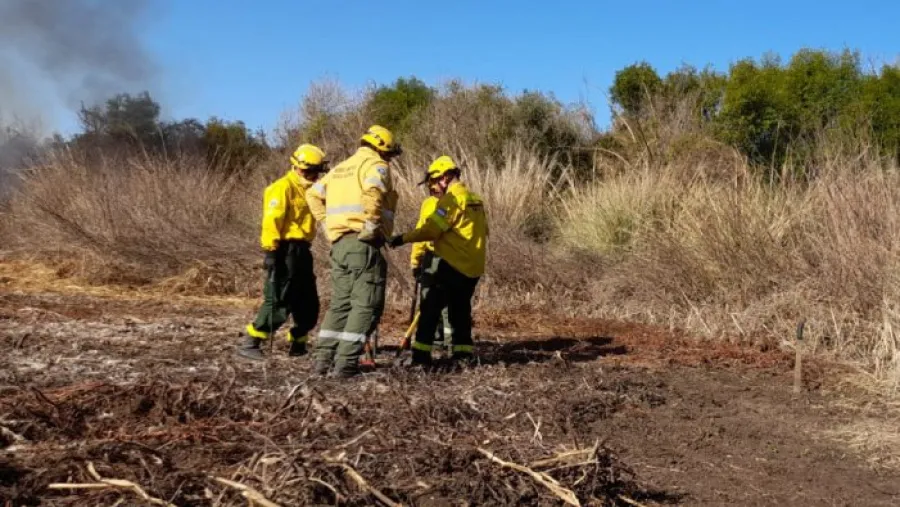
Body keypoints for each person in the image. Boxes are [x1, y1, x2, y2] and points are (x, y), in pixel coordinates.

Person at [306, 125, 402, 378]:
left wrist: (326, 224)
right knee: (366, 305)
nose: (390, 159)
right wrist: (371, 226)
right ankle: (346, 365)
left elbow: (313, 194)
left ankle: (322, 361)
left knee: (340, 305)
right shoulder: (375, 166)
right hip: (363, 243)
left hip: (340, 246)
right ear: (382, 149)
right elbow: (373, 193)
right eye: (390, 154)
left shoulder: (340, 169)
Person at [388, 155, 487, 366]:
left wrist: (401, 238)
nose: (432, 186)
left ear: (445, 177)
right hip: (473, 268)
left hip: (452, 265)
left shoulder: (450, 201)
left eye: (434, 180)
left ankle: (421, 358)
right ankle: (462, 356)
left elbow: (431, 230)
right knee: (460, 311)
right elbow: (484, 232)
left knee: (430, 311)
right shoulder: (476, 199)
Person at [237, 143, 328, 361]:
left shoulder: (313, 191)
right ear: (297, 167)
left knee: (307, 301)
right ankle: (250, 343)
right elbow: (271, 221)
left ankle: (298, 345)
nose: (313, 175)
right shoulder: (282, 187)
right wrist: (271, 251)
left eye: (316, 171)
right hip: (284, 249)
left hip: (303, 250)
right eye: (309, 171)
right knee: (280, 299)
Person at [409, 173, 453, 353]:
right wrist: (416, 259)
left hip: (443, 257)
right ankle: (441, 340)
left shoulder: (445, 203)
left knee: (436, 302)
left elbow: (422, 233)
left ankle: (444, 340)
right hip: (442, 257)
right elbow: (421, 233)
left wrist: (415, 260)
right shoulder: (433, 203)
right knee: (438, 301)